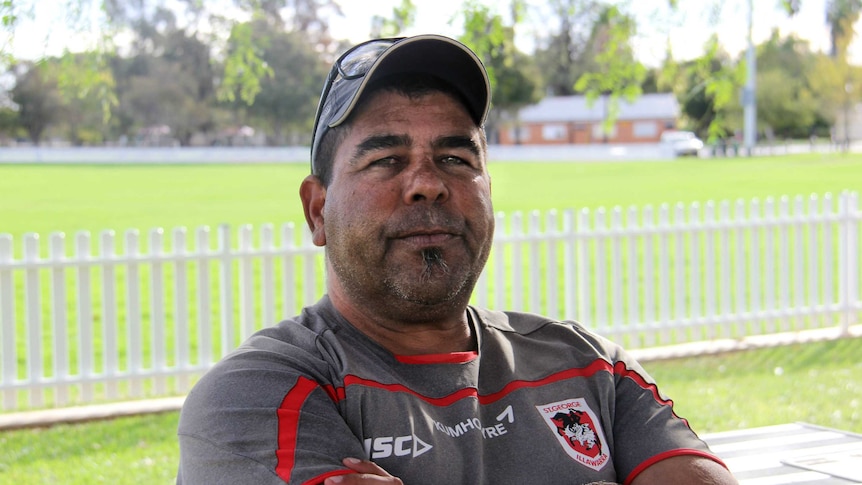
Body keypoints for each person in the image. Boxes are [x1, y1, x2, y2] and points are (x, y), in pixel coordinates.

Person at [177, 34, 737, 485]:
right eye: (385, 160)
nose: (427, 184)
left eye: (453, 157)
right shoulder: (253, 398)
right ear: (317, 210)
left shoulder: (589, 365)